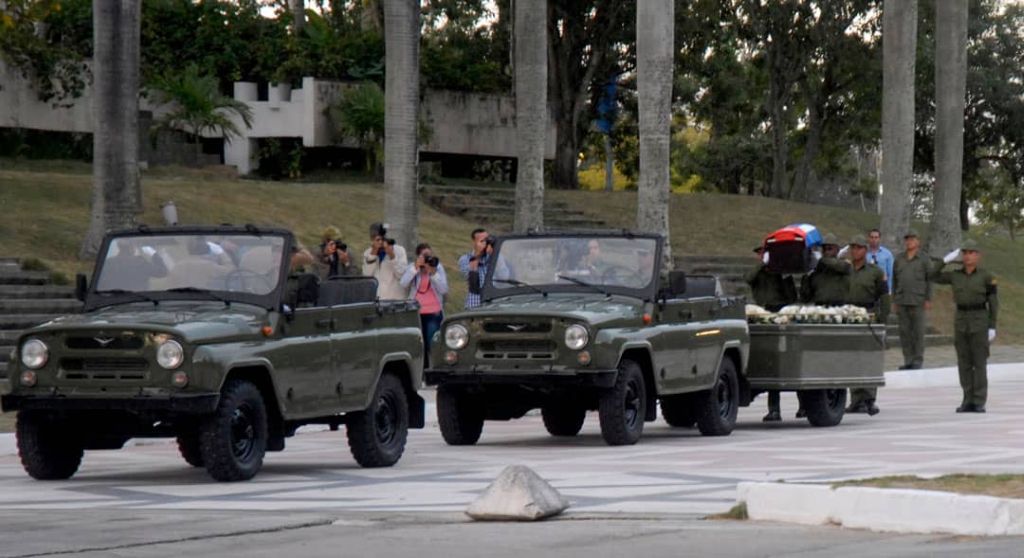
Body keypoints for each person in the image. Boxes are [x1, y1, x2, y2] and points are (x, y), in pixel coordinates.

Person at [929, 239, 998, 413]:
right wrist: (945, 261)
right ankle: (967, 399)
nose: (967, 256)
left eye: (971, 253)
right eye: (965, 253)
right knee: (964, 362)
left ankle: (979, 400)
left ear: (978, 256)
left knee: (979, 362)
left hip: (980, 319)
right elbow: (931, 275)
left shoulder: (986, 276)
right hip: (961, 319)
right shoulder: (955, 275)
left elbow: (994, 303)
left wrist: (992, 326)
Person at [746, 244, 798, 422]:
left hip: (779, 314)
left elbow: (791, 296)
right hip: (760, 313)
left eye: (765, 253)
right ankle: (774, 410)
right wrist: (762, 265)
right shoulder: (757, 271)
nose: (762, 255)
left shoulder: (780, 272)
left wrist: (781, 272)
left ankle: (803, 406)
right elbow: (747, 278)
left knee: (784, 361)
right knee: (769, 362)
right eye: (760, 253)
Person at [844, 235, 890, 416]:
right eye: (852, 248)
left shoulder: (875, 272)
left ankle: (869, 398)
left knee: (868, 358)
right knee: (852, 358)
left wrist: (881, 318)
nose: (855, 251)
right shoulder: (846, 271)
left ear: (865, 250)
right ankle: (856, 398)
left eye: (858, 248)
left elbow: (884, 296)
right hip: (849, 316)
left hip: (869, 316)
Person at [401, 243, 449, 366]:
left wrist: (432, 273)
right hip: (416, 312)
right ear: (418, 256)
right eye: (424, 256)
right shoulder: (413, 267)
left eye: (429, 255)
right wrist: (415, 268)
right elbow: (403, 283)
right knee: (418, 344)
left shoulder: (437, 268)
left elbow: (444, 289)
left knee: (432, 343)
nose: (428, 258)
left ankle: (435, 368)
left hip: (433, 312)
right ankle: (422, 371)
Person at [892, 229, 932, 370]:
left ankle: (917, 360)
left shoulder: (924, 259)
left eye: (912, 239)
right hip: (902, 299)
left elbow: (929, 280)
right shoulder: (899, 259)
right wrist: (894, 300)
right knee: (904, 332)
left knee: (918, 332)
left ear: (918, 241)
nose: (909, 242)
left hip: (918, 300)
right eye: (907, 239)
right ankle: (908, 359)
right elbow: (895, 280)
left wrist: (928, 299)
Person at [457, 228, 506, 309]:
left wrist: (495, 254)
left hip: (494, 304)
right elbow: (469, 279)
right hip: (474, 304)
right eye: (482, 241)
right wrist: (478, 255)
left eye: (487, 240)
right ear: (474, 243)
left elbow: (504, 276)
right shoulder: (465, 259)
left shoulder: (496, 257)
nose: (485, 243)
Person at [800, 233, 852, 306]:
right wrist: (806, 276)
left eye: (830, 248)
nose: (826, 252)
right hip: (820, 308)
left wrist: (821, 260)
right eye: (824, 249)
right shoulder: (817, 271)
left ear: (837, 250)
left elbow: (839, 265)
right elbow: (806, 297)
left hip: (839, 309)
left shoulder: (844, 266)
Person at [361, 223, 409, 300]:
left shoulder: (399, 250)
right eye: (376, 239)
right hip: (377, 299)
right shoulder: (368, 253)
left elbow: (401, 275)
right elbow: (366, 275)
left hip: (395, 300)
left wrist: (392, 256)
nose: (380, 241)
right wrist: (373, 253)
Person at [867, 228, 895, 293]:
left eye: (876, 237)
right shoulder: (864, 253)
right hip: (867, 288)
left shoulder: (887, 254)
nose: (874, 239)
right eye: (872, 237)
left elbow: (891, 274)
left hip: (882, 288)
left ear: (879, 239)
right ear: (868, 238)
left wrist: (889, 290)